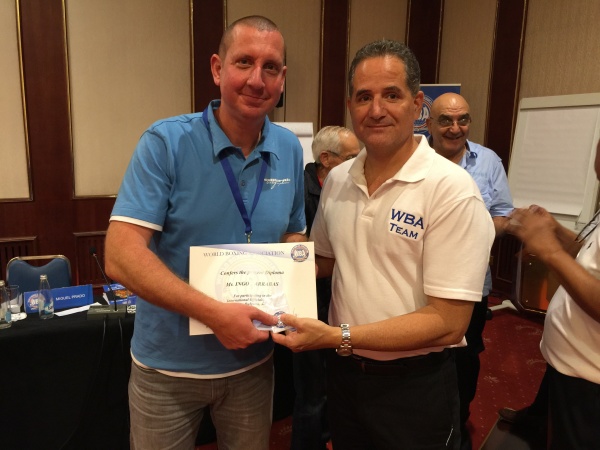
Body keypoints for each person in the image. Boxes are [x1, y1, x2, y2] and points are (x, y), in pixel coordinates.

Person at [272, 39, 495, 450]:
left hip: (415, 387)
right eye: (364, 97)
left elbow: (449, 321)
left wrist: (337, 336)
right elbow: (324, 260)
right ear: (350, 106)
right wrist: (260, 264)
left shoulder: (451, 189)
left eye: (391, 95)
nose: (376, 110)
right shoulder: (338, 180)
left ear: (417, 104)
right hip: (345, 379)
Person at [104, 16, 307, 450]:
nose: (257, 79)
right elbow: (120, 255)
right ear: (217, 69)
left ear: (282, 78)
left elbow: (292, 235)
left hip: (253, 366)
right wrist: (215, 314)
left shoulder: (289, 147)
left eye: (271, 67)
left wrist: (297, 287)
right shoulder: (165, 142)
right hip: (167, 371)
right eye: (244, 62)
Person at [427, 92, 514, 450]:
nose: (455, 128)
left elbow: (504, 214)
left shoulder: (488, 161)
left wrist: (469, 235)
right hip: (421, 282)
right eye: (445, 120)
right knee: (423, 356)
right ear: (429, 124)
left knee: (465, 358)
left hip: (472, 283)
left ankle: (458, 425)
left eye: (462, 119)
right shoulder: (411, 159)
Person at [504, 139, 600, 449]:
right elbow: (590, 256)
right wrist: (556, 230)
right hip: (570, 363)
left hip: (589, 381)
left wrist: (549, 251)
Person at [292, 126, 360, 450]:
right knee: (312, 389)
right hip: (310, 299)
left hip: (343, 300)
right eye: (351, 156)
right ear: (326, 159)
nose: (360, 161)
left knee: (339, 382)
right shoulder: (296, 189)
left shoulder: (354, 186)